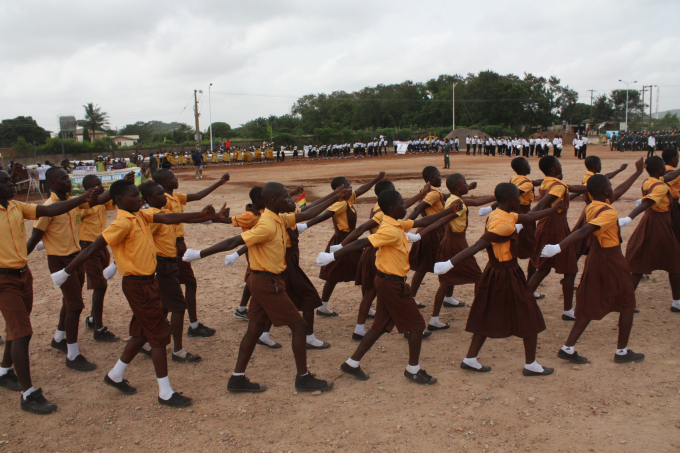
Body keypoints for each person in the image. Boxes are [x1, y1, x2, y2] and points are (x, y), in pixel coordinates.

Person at [51, 179, 216, 406]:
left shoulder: (140, 215)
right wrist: (66, 272)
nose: (139, 199)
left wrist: (200, 214)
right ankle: (165, 393)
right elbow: (92, 248)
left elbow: (167, 218)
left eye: (139, 195)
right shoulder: (121, 224)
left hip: (148, 283)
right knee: (158, 339)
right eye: (134, 196)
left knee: (141, 334)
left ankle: (115, 375)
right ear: (119, 201)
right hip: (137, 285)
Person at [183, 182, 351, 393]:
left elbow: (309, 213)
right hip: (267, 283)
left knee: (254, 329)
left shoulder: (279, 218)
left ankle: (237, 379)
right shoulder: (266, 225)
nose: (291, 201)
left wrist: (336, 197)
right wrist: (199, 254)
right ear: (273, 201)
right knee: (299, 327)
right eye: (287, 198)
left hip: (263, 280)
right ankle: (303, 379)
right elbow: (233, 241)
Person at [319, 190, 462, 384]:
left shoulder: (394, 222)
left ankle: (352, 363)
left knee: (379, 326)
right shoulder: (390, 230)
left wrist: (448, 211)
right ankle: (413, 370)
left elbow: (422, 222)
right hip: (392, 284)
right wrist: (333, 255)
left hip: (386, 281)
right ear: (393, 208)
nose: (406, 207)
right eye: (402, 204)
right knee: (417, 326)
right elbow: (362, 241)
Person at [434, 183, 562, 375]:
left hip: (497, 271)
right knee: (529, 315)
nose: (521, 201)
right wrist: (450, 263)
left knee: (487, 314)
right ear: (510, 200)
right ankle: (531, 365)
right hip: (505, 273)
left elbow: (528, 217)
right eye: (518, 198)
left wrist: (552, 210)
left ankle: (470, 359)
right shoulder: (502, 222)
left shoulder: (501, 214)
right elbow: (478, 245)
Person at [0, 170, 101, 414]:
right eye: (4, 181)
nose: (11, 184)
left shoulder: (15, 206)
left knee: (16, 329)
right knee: (22, 333)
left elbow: (47, 211)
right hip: (4, 279)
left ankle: (3, 371)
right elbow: (39, 231)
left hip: (23, 274)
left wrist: (80, 198)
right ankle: (28, 394)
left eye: (10, 179)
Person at [541, 166, 646, 365]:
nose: (614, 189)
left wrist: (635, 174)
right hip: (611, 258)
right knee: (627, 304)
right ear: (606, 191)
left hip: (596, 257)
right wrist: (558, 247)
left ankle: (568, 347)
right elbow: (585, 231)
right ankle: (622, 352)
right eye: (611, 186)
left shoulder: (593, 206)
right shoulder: (608, 211)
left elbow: (594, 223)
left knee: (590, 301)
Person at [26, 167, 107, 371]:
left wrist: (117, 190)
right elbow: (35, 237)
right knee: (75, 306)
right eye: (62, 178)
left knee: (70, 300)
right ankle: (72, 355)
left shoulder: (74, 202)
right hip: (60, 261)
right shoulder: (48, 207)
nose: (67, 180)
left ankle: (59, 337)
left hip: (75, 257)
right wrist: (19, 261)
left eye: (67, 176)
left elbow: (96, 202)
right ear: (51, 183)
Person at [139, 182, 226, 362]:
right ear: (149, 199)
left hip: (170, 262)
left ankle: (146, 341)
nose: (165, 197)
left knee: (164, 305)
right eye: (160, 194)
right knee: (178, 308)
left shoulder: (163, 213)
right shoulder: (152, 217)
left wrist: (213, 217)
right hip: (162, 265)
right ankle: (177, 351)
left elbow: (185, 219)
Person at [333, 180, 430, 340]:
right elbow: (361, 229)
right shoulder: (381, 213)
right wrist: (340, 248)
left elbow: (407, 210)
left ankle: (406, 328)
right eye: (393, 191)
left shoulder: (387, 212)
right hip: (377, 251)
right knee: (371, 292)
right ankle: (360, 328)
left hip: (379, 249)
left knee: (378, 294)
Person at [152, 169, 230, 337]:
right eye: (172, 177)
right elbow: (184, 218)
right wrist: (211, 217)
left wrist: (219, 183)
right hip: (170, 246)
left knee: (177, 286)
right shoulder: (162, 202)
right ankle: (187, 325)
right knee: (182, 285)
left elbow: (198, 196)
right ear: (164, 183)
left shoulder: (176, 196)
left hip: (179, 244)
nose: (176, 178)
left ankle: (169, 324)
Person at [307, 172, 385, 316]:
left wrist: (376, 179)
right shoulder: (340, 204)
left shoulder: (348, 200)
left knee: (340, 273)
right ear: (340, 189)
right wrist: (305, 225)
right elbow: (323, 215)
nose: (351, 189)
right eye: (348, 186)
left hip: (349, 239)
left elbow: (361, 190)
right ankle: (363, 308)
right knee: (353, 272)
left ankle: (325, 306)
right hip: (342, 240)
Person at [428, 174, 495, 330]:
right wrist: (496, 198)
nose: (467, 185)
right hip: (457, 242)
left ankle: (434, 319)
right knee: (478, 277)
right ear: (458, 187)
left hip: (449, 241)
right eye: (465, 183)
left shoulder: (452, 198)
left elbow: (475, 201)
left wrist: (494, 198)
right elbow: (474, 202)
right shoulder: (458, 203)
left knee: (446, 280)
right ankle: (479, 314)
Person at [526, 156, 587, 321]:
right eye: (559, 164)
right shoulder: (558, 186)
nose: (561, 166)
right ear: (553, 169)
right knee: (570, 269)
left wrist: (594, 186)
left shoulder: (547, 182)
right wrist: (520, 222)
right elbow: (540, 205)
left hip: (546, 225)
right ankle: (568, 310)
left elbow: (574, 188)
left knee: (544, 268)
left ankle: (522, 301)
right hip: (555, 227)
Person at [619, 157, 680, 313]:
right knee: (674, 263)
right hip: (660, 227)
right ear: (660, 170)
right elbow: (647, 203)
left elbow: (671, 176)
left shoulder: (649, 181)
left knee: (640, 264)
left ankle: (626, 302)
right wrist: (628, 218)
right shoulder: (661, 188)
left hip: (648, 224)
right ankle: (677, 302)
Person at [79, 174, 127, 342]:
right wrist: (117, 185)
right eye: (95, 186)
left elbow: (111, 200)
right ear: (86, 189)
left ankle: (93, 319)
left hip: (101, 246)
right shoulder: (84, 205)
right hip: (88, 246)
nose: (100, 187)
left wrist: (122, 185)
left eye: (100, 184)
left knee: (101, 285)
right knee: (99, 285)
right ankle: (98, 329)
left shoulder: (101, 203)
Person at [571, 157, 628, 260]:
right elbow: (604, 178)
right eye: (600, 164)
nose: (600, 166)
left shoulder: (590, 176)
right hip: (594, 210)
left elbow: (605, 177)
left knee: (582, 242)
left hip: (592, 208)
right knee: (582, 242)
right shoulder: (590, 178)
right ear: (596, 166)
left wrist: (619, 170)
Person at [407, 166, 448, 306]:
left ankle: (412, 297)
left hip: (426, 230)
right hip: (432, 232)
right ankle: (447, 296)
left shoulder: (430, 191)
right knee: (439, 262)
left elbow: (446, 197)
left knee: (424, 266)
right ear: (431, 178)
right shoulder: (433, 194)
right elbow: (418, 208)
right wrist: (405, 224)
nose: (441, 178)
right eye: (439, 176)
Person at [661, 148, 680, 241]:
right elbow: (665, 185)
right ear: (673, 159)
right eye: (678, 157)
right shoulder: (674, 173)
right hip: (672, 205)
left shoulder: (660, 170)